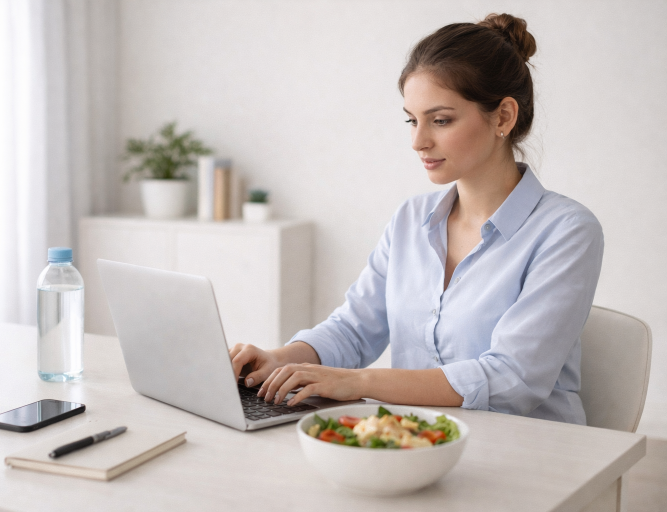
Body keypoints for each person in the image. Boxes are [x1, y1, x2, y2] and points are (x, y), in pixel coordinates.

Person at [229, 13, 603, 425]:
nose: (417, 141)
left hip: (530, 448)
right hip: (419, 441)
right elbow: (354, 329)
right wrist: (279, 358)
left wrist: (358, 382)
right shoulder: (411, 219)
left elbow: (511, 380)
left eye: (440, 120)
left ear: (503, 117)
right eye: (412, 119)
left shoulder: (567, 231)